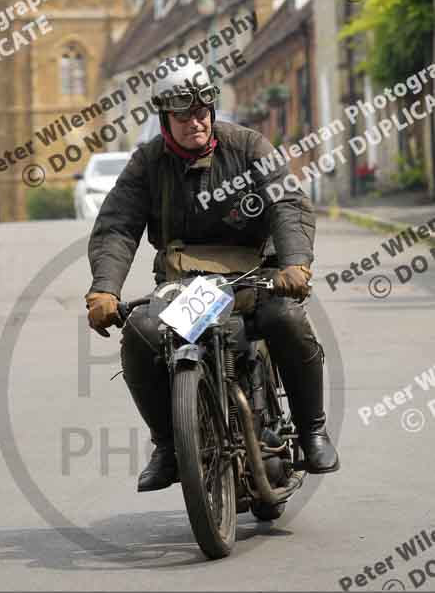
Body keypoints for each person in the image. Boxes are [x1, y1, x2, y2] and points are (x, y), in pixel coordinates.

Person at [86, 59, 339, 491]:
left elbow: (287, 205)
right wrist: (104, 290)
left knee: (287, 321)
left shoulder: (248, 146)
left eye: (203, 111)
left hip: (255, 279)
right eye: (183, 115)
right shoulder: (147, 163)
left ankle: (312, 432)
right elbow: (117, 226)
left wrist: (295, 263)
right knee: (143, 332)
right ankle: (168, 444)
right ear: (165, 117)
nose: (195, 122)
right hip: (189, 290)